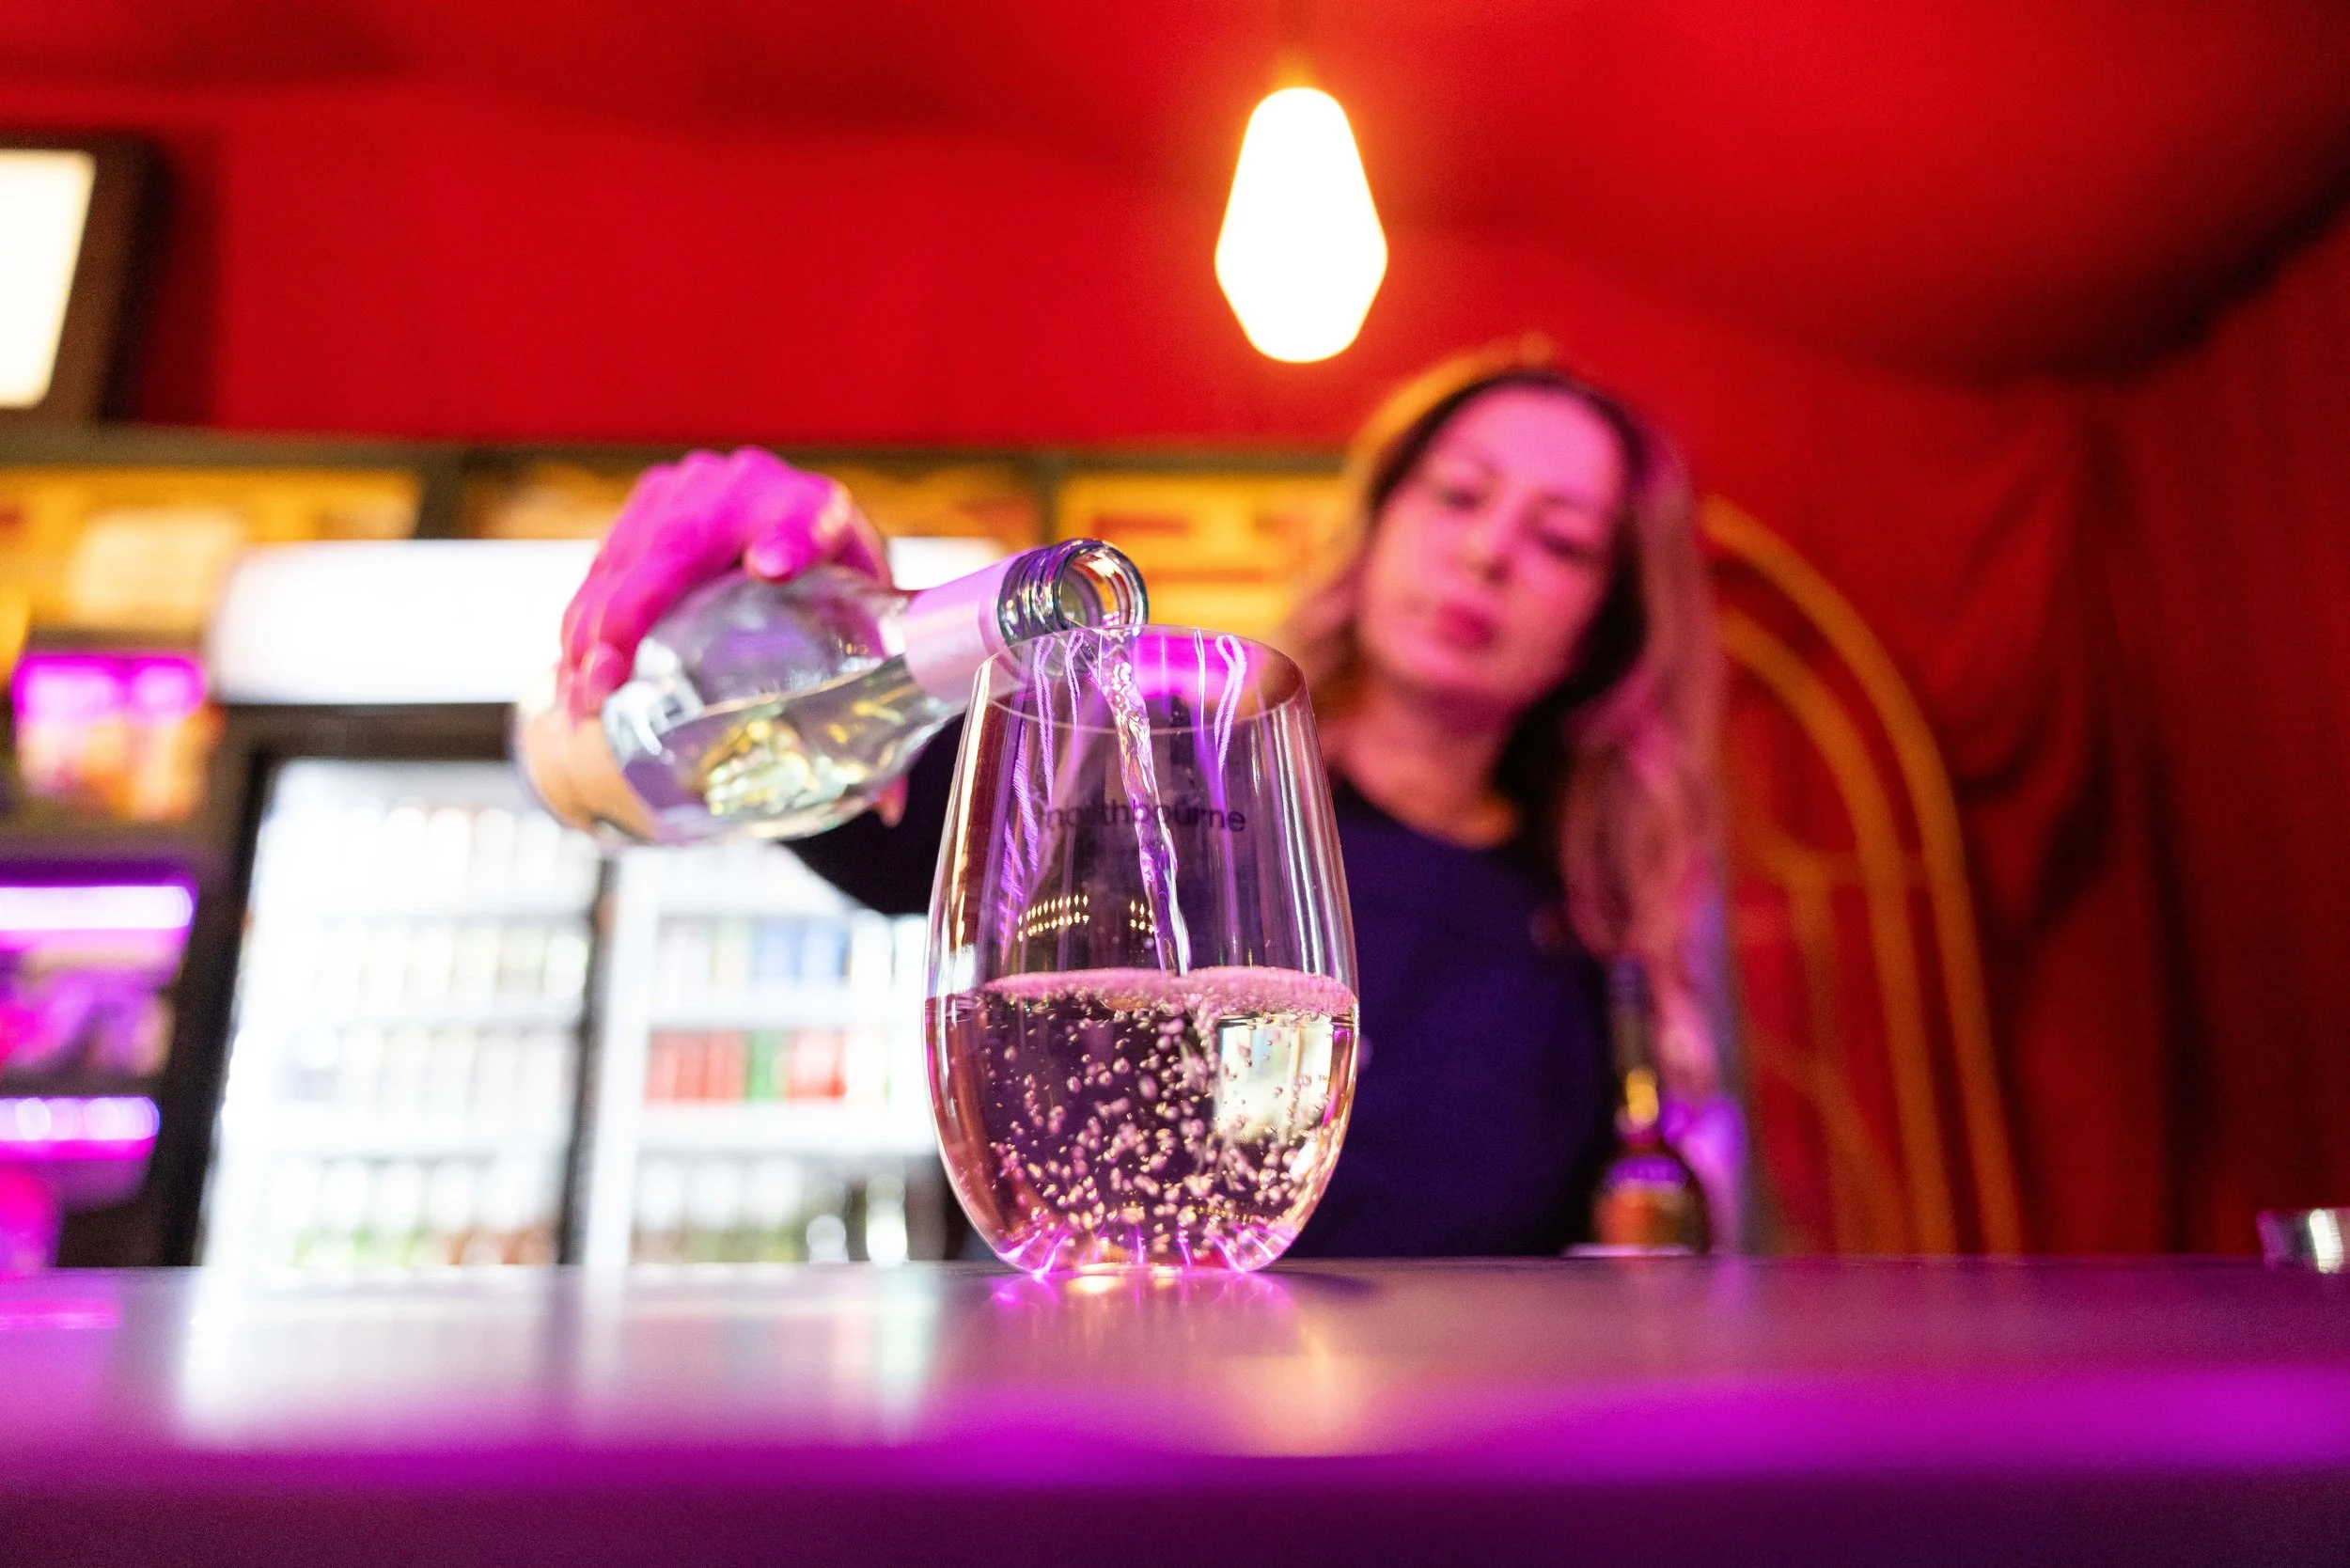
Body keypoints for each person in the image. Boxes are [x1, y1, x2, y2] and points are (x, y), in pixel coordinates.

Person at [556, 340, 1732, 1256]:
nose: (1487, 554)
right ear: (1377, 521)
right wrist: (776, 605)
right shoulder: (1146, 768)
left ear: (1607, 624)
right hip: (1091, 1424)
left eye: (1560, 542)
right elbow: (862, 806)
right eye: (1459, 495)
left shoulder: (1598, 926)